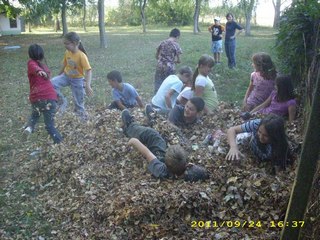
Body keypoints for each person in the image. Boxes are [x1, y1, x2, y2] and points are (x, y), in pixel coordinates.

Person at [121, 109, 209, 181]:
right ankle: (154, 118)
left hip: (159, 156)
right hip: (173, 163)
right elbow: (202, 173)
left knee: (153, 135)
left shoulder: (161, 170)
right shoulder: (187, 176)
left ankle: (130, 126)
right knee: (170, 133)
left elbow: (147, 153)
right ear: (187, 165)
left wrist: (132, 141)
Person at [23, 44, 62, 144]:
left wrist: (39, 71)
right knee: (49, 125)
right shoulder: (42, 67)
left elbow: (34, 67)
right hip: (50, 98)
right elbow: (36, 68)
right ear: (41, 54)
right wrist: (40, 71)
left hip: (37, 98)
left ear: (30, 54)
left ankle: (29, 127)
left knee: (35, 114)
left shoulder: (32, 63)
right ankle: (59, 142)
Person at [226, 114, 291, 171]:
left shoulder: (281, 146)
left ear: (275, 136)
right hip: (252, 149)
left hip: (265, 162)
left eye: (266, 135)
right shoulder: (257, 124)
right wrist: (233, 147)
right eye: (259, 132)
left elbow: (279, 170)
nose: (261, 137)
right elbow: (232, 130)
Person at [51, 32, 93, 118]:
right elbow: (64, 64)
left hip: (77, 80)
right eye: (64, 43)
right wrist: (59, 75)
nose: (65, 45)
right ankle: (62, 100)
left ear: (74, 43)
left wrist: (88, 85)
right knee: (51, 83)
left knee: (78, 102)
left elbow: (88, 71)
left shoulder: (81, 56)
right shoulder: (67, 52)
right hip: (66, 76)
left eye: (67, 43)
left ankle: (82, 118)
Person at [154, 28, 182, 93]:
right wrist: (173, 61)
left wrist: (162, 59)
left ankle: (156, 99)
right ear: (177, 36)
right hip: (170, 68)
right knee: (168, 86)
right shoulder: (176, 45)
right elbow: (179, 60)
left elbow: (156, 56)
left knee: (158, 85)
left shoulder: (162, 43)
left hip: (160, 66)